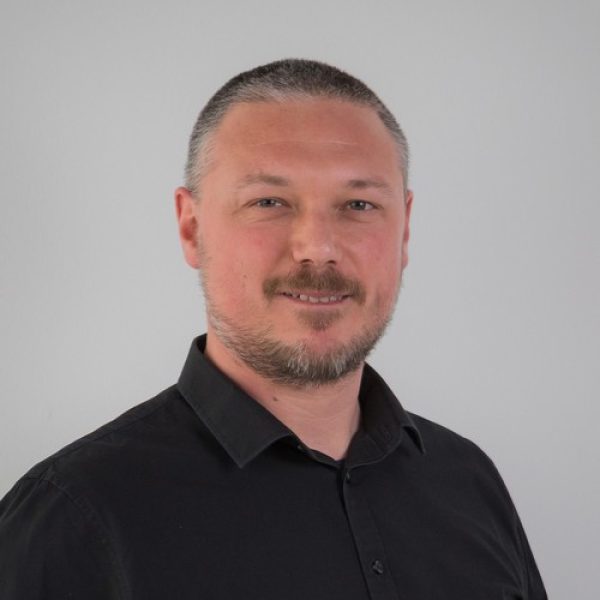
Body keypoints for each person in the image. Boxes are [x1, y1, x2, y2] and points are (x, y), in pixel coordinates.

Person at [0, 59, 547, 599]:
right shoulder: (73, 517)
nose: (318, 247)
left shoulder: (468, 482)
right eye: (269, 202)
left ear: (404, 232)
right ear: (191, 228)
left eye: (359, 204)